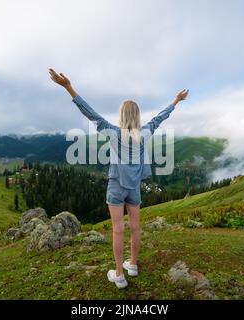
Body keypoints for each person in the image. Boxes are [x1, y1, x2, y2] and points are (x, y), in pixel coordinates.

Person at [49, 68, 189, 289]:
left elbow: (90, 113)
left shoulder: (113, 133)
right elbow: (160, 117)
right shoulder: (145, 132)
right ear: (137, 116)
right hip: (134, 187)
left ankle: (119, 275)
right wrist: (176, 100)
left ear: (122, 115)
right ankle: (132, 264)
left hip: (116, 185)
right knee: (135, 227)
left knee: (117, 228)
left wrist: (68, 87)